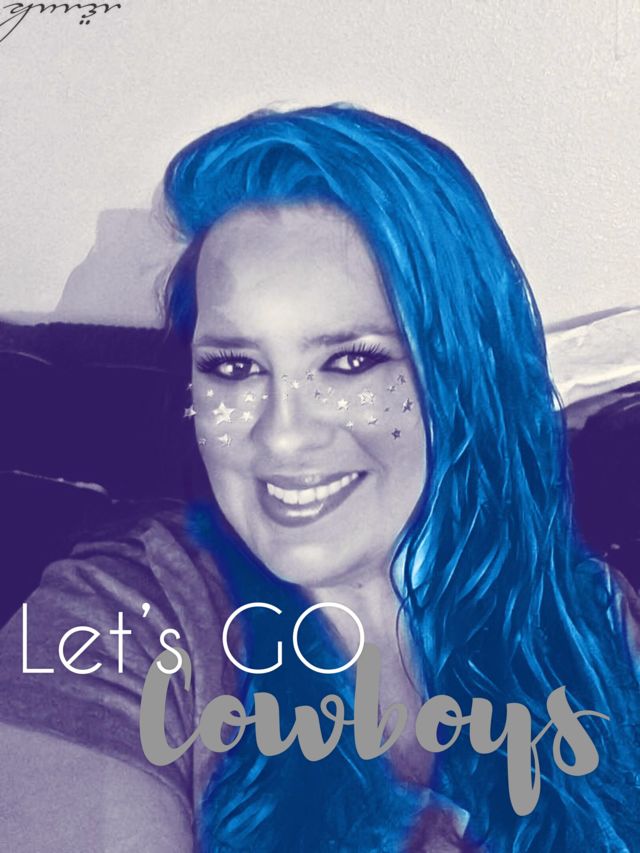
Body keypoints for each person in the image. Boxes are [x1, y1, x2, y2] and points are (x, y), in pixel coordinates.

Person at [1, 105, 639, 853]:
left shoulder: (587, 615)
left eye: (351, 361)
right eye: (233, 367)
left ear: (463, 375)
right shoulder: (113, 625)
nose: (281, 434)